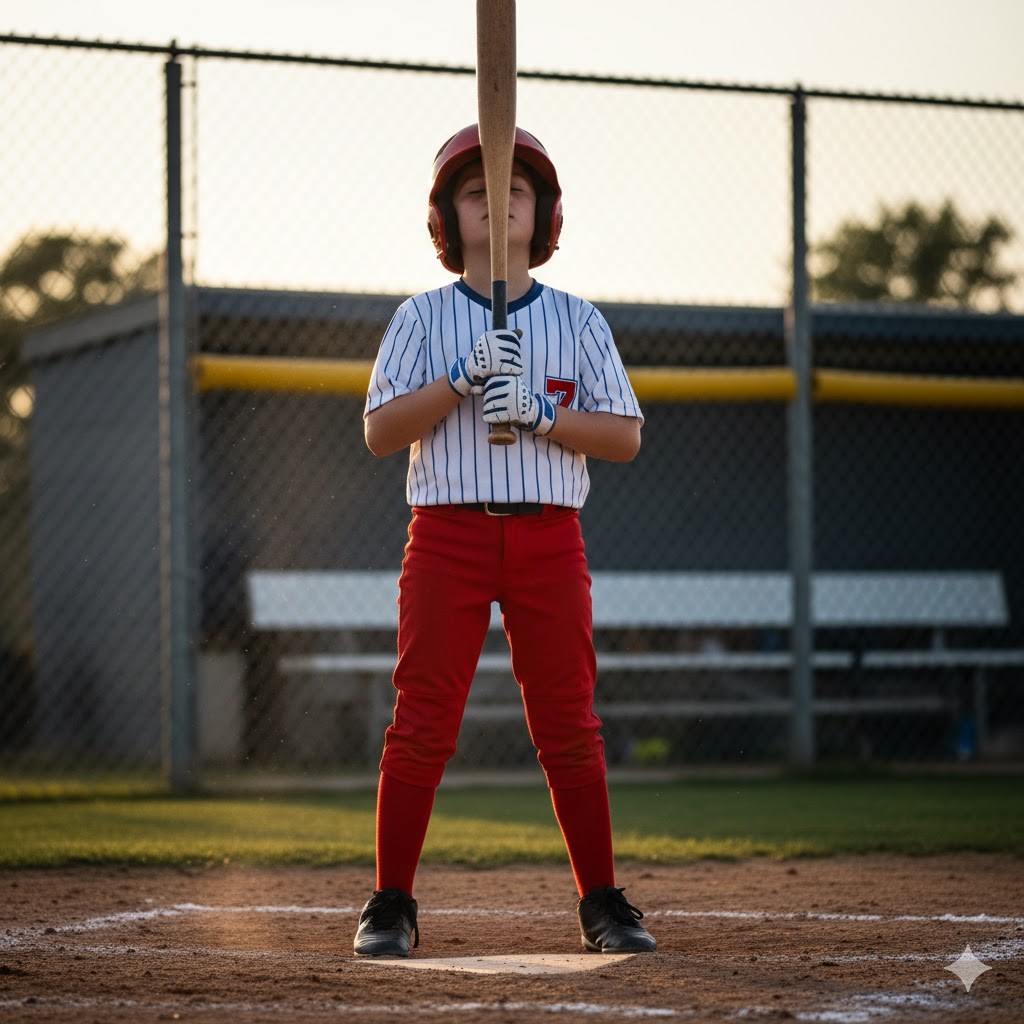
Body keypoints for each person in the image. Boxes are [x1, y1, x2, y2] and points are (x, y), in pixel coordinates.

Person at [354, 124, 655, 958]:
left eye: (514, 189)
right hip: (446, 534)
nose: (497, 199)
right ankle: (390, 902)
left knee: (568, 720)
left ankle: (601, 900)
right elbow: (380, 431)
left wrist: (543, 415)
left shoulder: (577, 320)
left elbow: (624, 437)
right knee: (422, 718)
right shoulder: (422, 318)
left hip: (549, 536)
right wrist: (459, 382)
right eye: (477, 190)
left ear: (543, 215)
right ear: (449, 218)